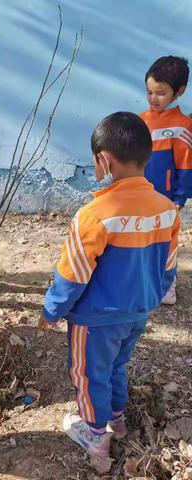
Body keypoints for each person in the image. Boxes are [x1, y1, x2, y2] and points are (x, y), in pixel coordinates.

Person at [38, 113, 179, 468]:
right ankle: (117, 419)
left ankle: (95, 437)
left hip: (95, 319)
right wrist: (149, 298)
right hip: (137, 313)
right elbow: (168, 269)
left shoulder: (93, 215)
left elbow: (72, 276)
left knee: (88, 375)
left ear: (104, 160)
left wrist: (50, 311)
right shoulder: (166, 211)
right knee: (117, 364)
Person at [140, 56, 192, 304]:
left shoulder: (182, 126)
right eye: (149, 92)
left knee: (167, 240)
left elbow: (186, 164)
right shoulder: (140, 121)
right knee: (140, 238)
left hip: (166, 198)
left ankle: (166, 285)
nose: (153, 98)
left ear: (179, 91)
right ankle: (142, 281)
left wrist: (180, 196)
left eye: (160, 93)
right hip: (139, 195)